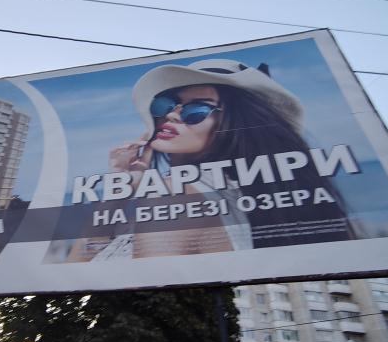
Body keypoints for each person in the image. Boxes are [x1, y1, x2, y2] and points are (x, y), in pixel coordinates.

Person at [111, 58, 352, 254]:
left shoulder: (176, 193)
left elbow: (141, 287)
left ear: (234, 123)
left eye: (197, 109)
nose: (172, 115)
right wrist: (120, 190)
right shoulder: (236, 197)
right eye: (167, 104)